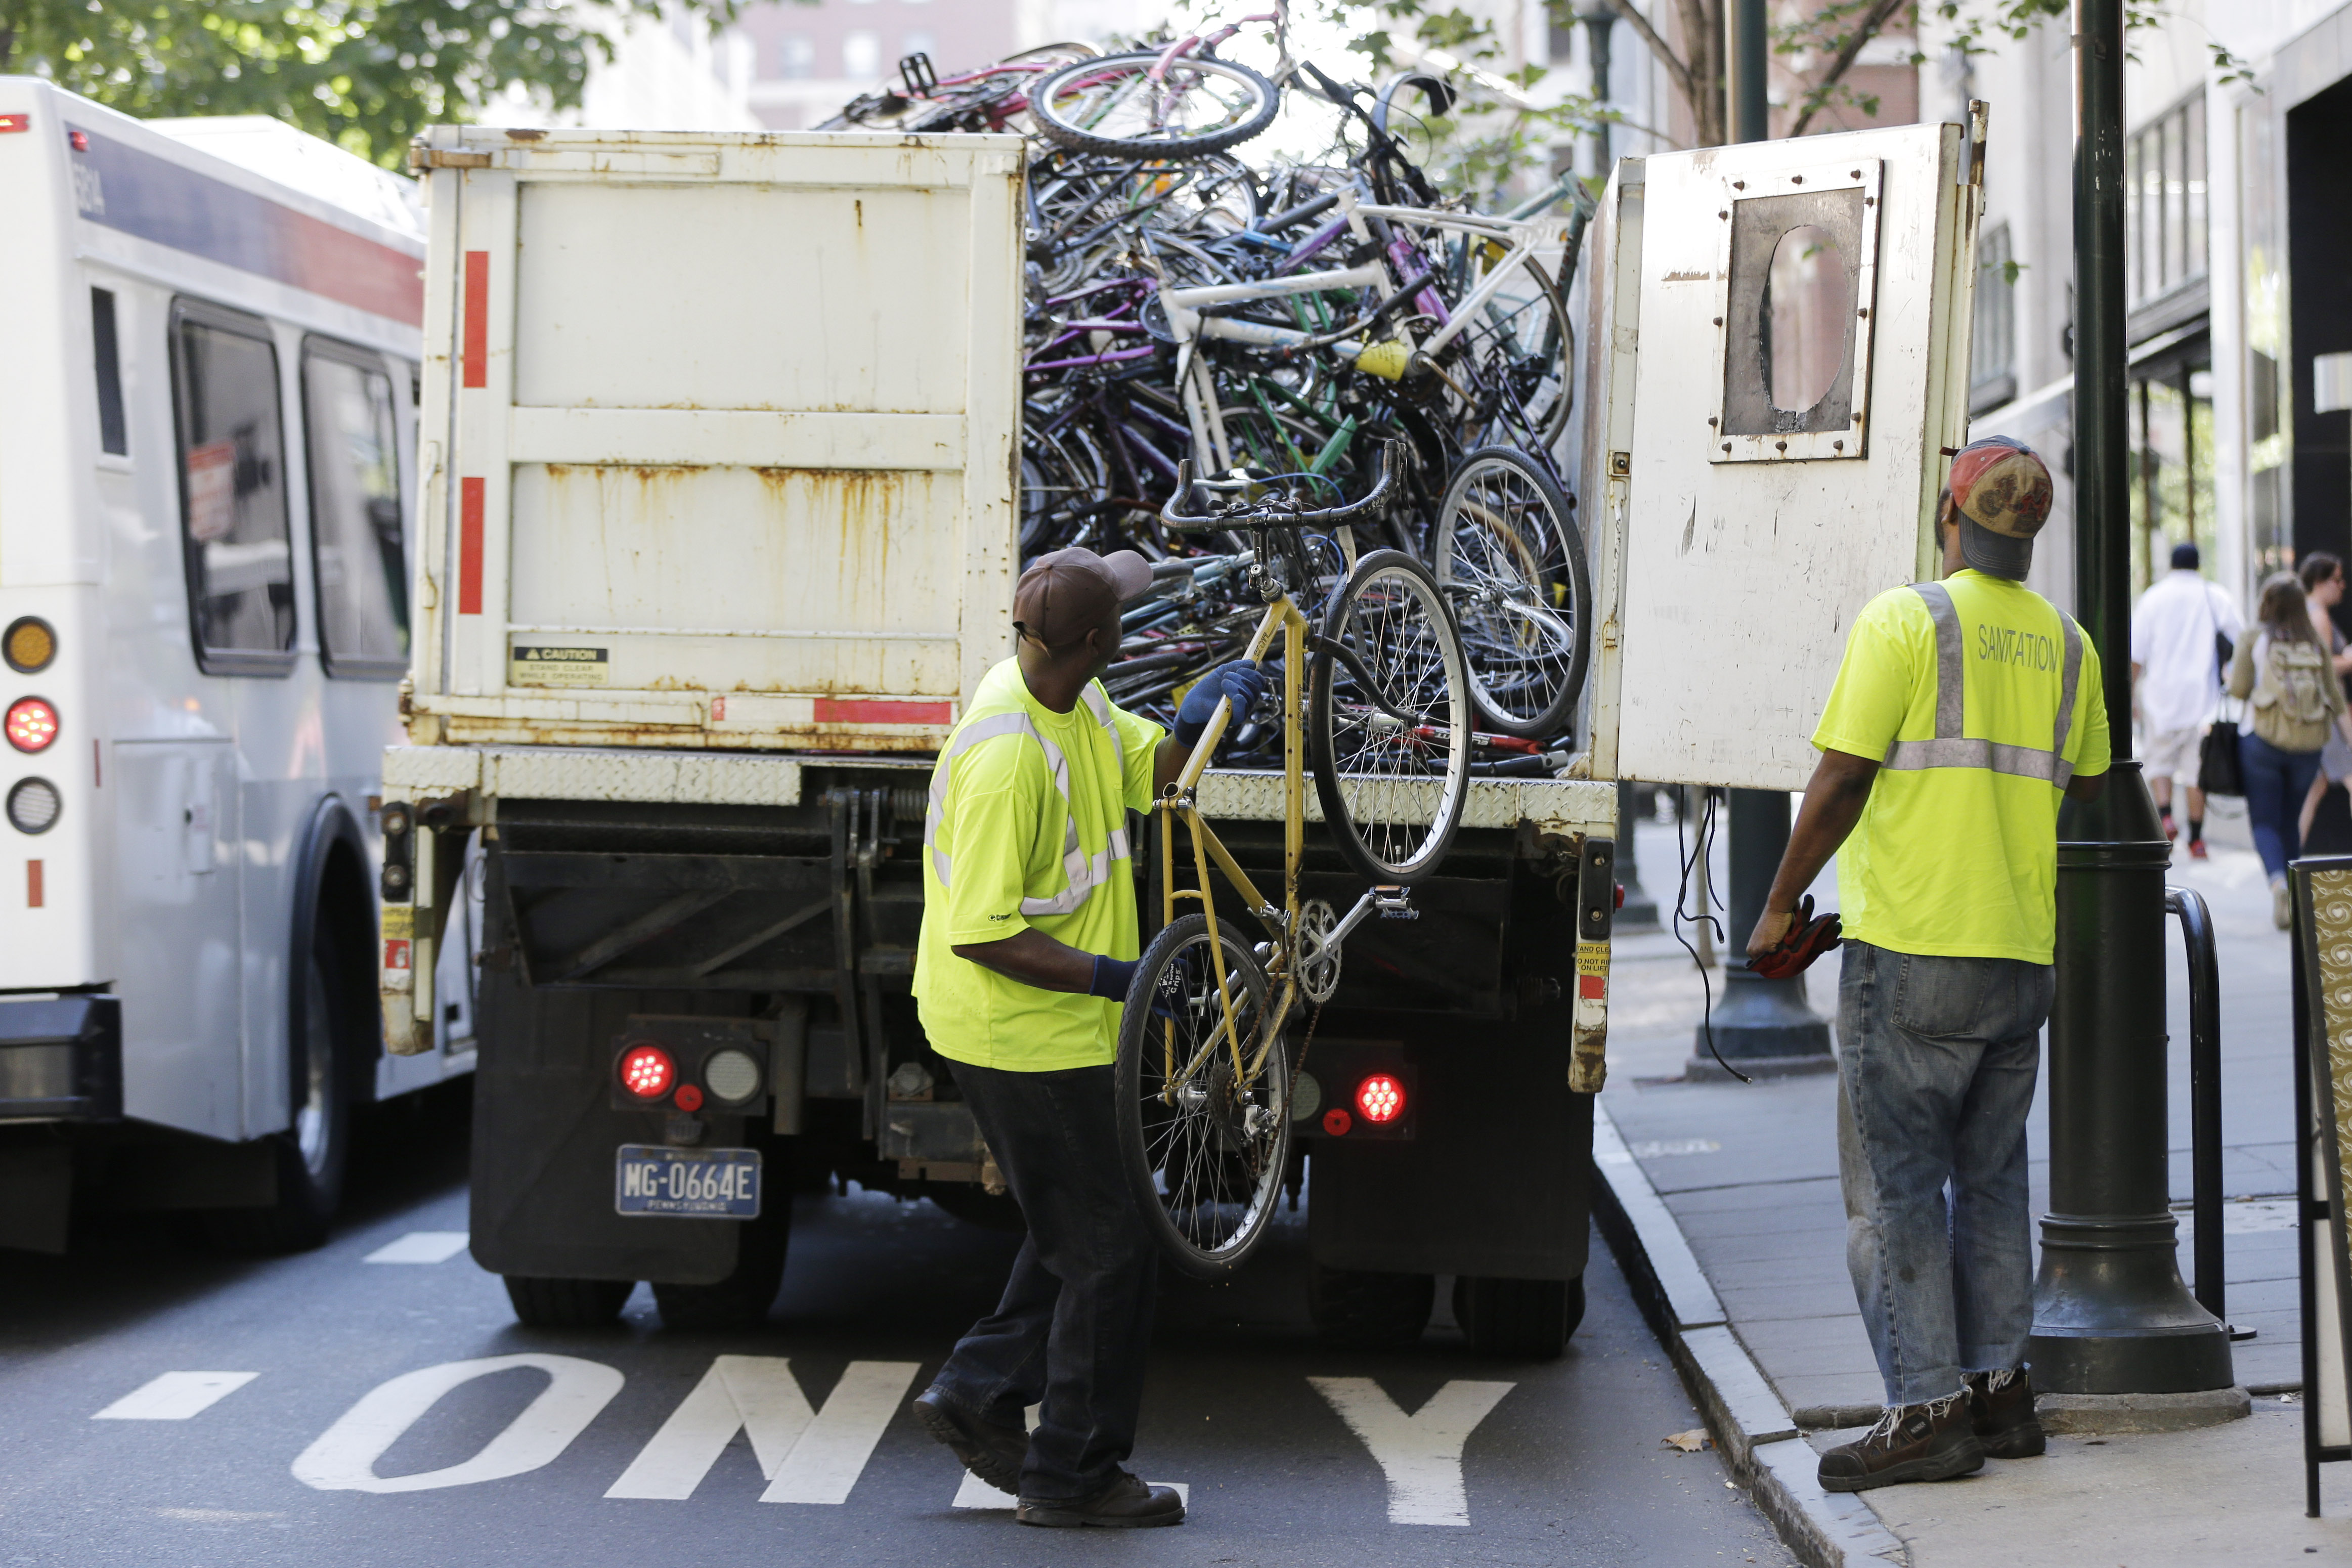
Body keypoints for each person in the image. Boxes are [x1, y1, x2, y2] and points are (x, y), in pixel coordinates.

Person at [1745, 437, 2110, 1493]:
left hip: (1912, 949)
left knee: (1895, 1196)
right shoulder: (2071, 643)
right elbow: (2087, 783)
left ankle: (1927, 1413)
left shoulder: (1906, 619)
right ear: (2027, 533)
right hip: (2017, 956)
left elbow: (1841, 777)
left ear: (1951, 519)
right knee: (1993, 1183)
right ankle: (2000, 1393)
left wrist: (1776, 908)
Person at [907, 544, 1264, 1529]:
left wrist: (1204, 717)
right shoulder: (1006, 759)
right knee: (1112, 1244)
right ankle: (1072, 1473)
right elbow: (983, 930)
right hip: (1015, 1035)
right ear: (1098, 640)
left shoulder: (1076, 702)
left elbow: (1157, 773)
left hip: (1064, 1030)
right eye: (1124, 616)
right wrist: (1125, 976)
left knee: (1082, 1227)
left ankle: (978, 1391)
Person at [2231, 571, 2345, 928]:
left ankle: (2279, 883)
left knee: (2265, 821)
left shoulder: (2254, 637)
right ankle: (2296, 892)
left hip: (2261, 743)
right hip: (2308, 746)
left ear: (2266, 603)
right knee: (2290, 822)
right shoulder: (2314, 641)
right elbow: (2336, 698)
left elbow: (2238, 689)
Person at [2128, 541, 2240, 860]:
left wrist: (2131, 695)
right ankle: (2197, 839)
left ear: (2172, 565)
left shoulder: (2153, 598)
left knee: (2160, 763)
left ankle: (2165, 817)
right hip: (2201, 700)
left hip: (2160, 697)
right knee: (2196, 771)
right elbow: (2239, 639)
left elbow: (2136, 655)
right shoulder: (2215, 596)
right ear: (2198, 564)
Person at [2294, 553, 2352, 849]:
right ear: (2320, 581)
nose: (2342, 586)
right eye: (2337, 579)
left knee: (2316, 786)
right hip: (2329, 712)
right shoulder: (2318, 616)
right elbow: (2324, 670)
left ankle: (2291, 855)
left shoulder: (2303, 611)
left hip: (2313, 711)